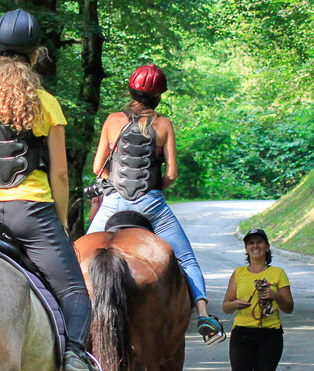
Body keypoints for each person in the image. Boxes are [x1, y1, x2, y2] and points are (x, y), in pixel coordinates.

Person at [0, 8, 104, 371]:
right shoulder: (46, 104)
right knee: (74, 292)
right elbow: (61, 174)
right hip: (31, 212)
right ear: (36, 55)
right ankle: (74, 356)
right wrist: (61, 222)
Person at [87, 64, 226, 345]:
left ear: (131, 91)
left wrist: (115, 187)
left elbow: (97, 168)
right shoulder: (163, 124)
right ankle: (204, 318)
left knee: (81, 254)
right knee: (186, 259)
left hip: (114, 202)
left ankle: (69, 323)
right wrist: (152, 192)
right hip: (151, 204)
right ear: (159, 97)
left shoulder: (113, 120)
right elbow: (172, 173)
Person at [221, 228, 294, 371]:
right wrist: (236, 305)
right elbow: (225, 305)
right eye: (251, 243)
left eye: (260, 242)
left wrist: (275, 295)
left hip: (269, 336)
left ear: (267, 247)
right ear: (246, 249)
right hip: (242, 335)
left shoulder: (278, 273)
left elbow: (289, 307)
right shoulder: (239, 273)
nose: (256, 246)